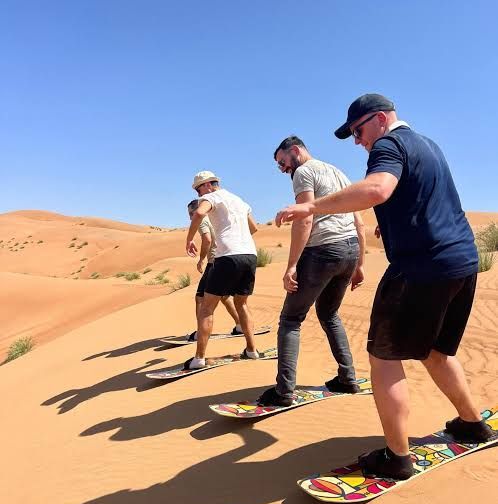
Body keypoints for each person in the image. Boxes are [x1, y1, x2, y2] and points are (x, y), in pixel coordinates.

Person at [275, 94, 493, 479]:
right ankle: (472, 424)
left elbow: (377, 188)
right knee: (436, 351)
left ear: (379, 119)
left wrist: (311, 207)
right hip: (462, 261)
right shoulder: (428, 145)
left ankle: (397, 457)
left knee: (384, 357)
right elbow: (426, 198)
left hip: (421, 267)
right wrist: (393, 222)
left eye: (358, 132)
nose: (357, 141)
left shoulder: (389, 144)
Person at [258, 136, 366, 408]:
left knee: (291, 319)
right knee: (329, 313)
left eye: (282, 161)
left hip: (323, 250)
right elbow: (358, 220)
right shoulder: (337, 172)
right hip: (349, 249)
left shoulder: (304, 172)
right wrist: (360, 263)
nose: (282, 168)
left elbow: (305, 218)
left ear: (295, 150)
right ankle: (348, 377)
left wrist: (291, 265)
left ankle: (284, 391)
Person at [185, 171, 260, 369]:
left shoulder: (212, 197)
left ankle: (199, 358)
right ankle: (252, 350)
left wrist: (189, 239)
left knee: (207, 307)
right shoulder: (239, 200)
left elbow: (199, 213)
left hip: (227, 256)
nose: (199, 195)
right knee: (242, 304)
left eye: (198, 190)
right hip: (250, 255)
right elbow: (254, 228)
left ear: (207, 185)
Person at [185, 199, 242, 341]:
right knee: (224, 296)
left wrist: (201, 259)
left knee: (200, 297)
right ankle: (240, 325)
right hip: (227, 259)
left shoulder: (202, 220)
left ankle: (201, 332)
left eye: (191, 213)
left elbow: (207, 239)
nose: (190, 217)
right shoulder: (215, 218)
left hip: (214, 262)